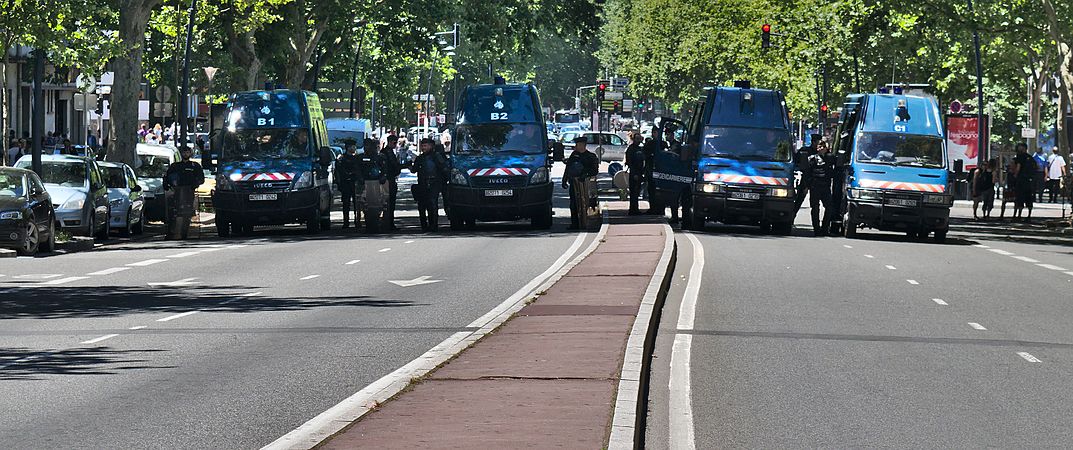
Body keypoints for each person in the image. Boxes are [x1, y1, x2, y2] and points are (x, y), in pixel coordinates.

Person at [163, 147, 204, 240]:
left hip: (189, 193)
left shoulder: (195, 166)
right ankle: (171, 233)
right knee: (173, 213)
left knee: (188, 213)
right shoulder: (175, 166)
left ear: (190, 153)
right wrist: (166, 185)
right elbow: (167, 177)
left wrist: (194, 185)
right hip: (176, 193)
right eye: (184, 152)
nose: (185, 154)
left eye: (187, 152)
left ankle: (185, 233)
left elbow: (201, 179)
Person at [411, 138, 449, 231]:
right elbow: (414, 170)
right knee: (422, 205)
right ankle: (424, 226)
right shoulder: (420, 158)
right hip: (422, 183)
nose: (424, 148)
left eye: (425, 146)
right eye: (422, 146)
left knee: (432, 204)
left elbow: (444, 168)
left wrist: (446, 181)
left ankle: (434, 225)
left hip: (434, 183)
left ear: (431, 146)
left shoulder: (437, 156)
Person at [563, 135, 600, 230]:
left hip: (585, 184)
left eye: (578, 144)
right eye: (576, 144)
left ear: (583, 145)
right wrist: (564, 180)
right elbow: (568, 168)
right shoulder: (574, 155)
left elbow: (594, 171)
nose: (577, 146)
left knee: (586, 203)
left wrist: (585, 175)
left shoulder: (590, 156)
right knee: (573, 204)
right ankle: (575, 224)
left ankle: (586, 222)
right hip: (574, 183)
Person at [804, 140, 835, 236]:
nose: (821, 148)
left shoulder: (830, 158)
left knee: (829, 207)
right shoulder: (812, 159)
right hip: (815, 186)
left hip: (825, 186)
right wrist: (806, 186)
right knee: (815, 208)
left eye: (823, 146)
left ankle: (825, 228)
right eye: (819, 146)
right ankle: (816, 229)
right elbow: (807, 173)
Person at [336, 142, 363, 229]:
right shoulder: (342, 158)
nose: (354, 148)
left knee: (357, 203)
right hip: (346, 183)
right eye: (352, 146)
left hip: (355, 183)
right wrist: (339, 184)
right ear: (348, 147)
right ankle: (346, 221)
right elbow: (338, 172)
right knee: (346, 203)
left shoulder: (357, 158)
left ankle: (357, 221)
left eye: (354, 146)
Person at [380, 135, 403, 230]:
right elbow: (394, 166)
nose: (395, 144)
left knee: (389, 202)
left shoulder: (387, 152)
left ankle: (389, 222)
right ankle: (388, 223)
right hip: (388, 180)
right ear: (389, 142)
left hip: (389, 179)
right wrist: (404, 166)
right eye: (394, 143)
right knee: (389, 202)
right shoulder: (388, 152)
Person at [1013, 142, 1035, 221]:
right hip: (1029, 181)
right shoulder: (1031, 158)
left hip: (1021, 180)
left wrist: (1015, 175)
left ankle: (1018, 215)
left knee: (1020, 197)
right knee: (1029, 198)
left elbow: (1018, 167)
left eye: (1019, 148)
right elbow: (1036, 168)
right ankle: (1029, 215)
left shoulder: (1020, 157)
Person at [625, 133, 645, 215]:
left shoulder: (640, 149)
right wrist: (634, 173)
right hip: (634, 173)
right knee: (633, 192)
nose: (638, 140)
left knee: (637, 192)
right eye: (637, 139)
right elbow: (629, 162)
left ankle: (635, 209)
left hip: (639, 172)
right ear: (634, 139)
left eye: (639, 139)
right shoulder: (631, 149)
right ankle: (632, 210)